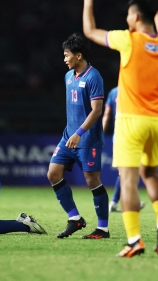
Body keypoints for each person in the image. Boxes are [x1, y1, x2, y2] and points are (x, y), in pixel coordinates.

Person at [81, 0, 158, 256]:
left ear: (135, 17)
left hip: (131, 120)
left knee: (129, 179)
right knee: (151, 174)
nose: (126, 19)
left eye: (128, 15)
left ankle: (135, 239)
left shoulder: (129, 41)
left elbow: (90, 31)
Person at [47, 33, 109, 240]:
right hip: (68, 137)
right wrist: (71, 134)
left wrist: (79, 133)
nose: (64, 59)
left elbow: (97, 110)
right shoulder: (68, 77)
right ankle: (75, 219)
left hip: (87, 139)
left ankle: (103, 228)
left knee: (92, 180)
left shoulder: (93, 77)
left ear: (79, 55)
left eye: (67, 55)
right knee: (53, 173)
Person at [103, 87, 145, 213]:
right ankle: (126, 201)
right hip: (133, 135)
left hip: (117, 137)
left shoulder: (113, 92)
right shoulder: (135, 90)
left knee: (123, 171)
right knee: (130, 170)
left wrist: (100, 136)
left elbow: (106, 115)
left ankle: (115, 202)